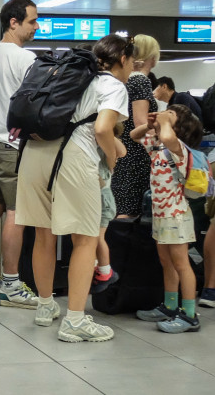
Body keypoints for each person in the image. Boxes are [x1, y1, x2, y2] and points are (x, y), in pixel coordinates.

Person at [17, 33, 132, 343]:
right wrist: (110, 158)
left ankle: (44, 306)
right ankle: (76, 321)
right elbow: (102, 128)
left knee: (43, 233)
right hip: (72, 157)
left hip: (34, 153)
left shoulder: (70, 75)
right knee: (86, 238)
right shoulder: (112, 85)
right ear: (123, 59)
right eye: (131, 62)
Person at [0, 0, 39, 309]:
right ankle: (11, 284)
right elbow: (35, 104)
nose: (36, 27)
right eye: (31, 21)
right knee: (17, 212)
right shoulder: (24, 57)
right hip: (13, 146)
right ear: (13, 22)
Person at [133, 104, 204, 333]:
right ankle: (170, 306)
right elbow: (135, 136)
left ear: (179, 127)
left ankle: (190, 315)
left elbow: (167, 135)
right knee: (166, 262)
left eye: (170, 114)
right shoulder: (159, 147)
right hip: (161, 216)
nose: (165, 115)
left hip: (176, 216)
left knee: (181, 263)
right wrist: (151, 124)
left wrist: (163, 123)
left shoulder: (178, 148)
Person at [111, 34, 160, 218]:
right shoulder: (140, 81)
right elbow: (141, 123)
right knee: (131, 209)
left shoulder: (124, 79)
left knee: (121, 206)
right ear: (152, 57)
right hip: (136, 155)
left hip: (122, 149)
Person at [91, 123, 127, 294]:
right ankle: (98, 267)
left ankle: (105, 271)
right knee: (92, 238)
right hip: (96, 198)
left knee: (97, 238)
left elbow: (122, 151)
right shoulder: (94, 145)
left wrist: (106, 132)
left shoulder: (108, 149)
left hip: (103, 199)